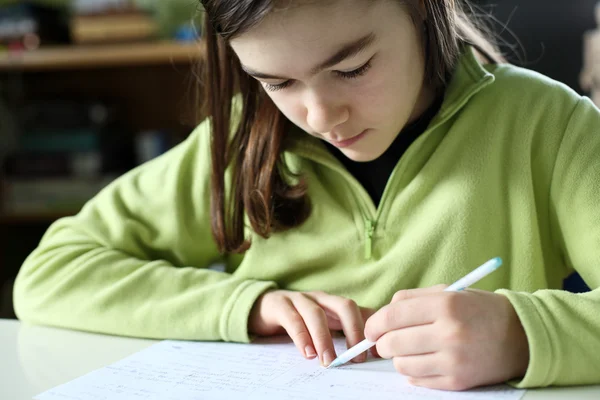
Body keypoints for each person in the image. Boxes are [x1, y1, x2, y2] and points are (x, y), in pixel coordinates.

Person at [13, 0, 600, 391]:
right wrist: (246, 305)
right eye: (278, 83)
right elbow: (51, 273)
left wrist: (523, 335)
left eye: (352, 69)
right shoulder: (241, 141)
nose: (321, 116)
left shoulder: (548, 126)